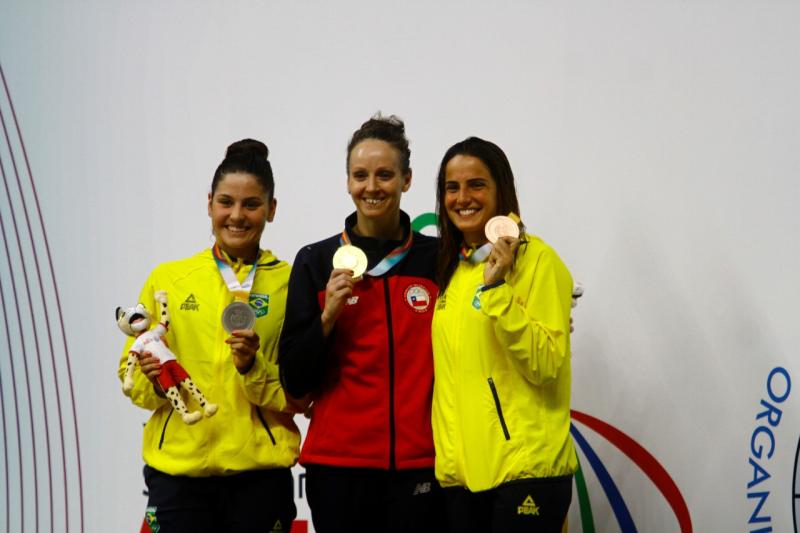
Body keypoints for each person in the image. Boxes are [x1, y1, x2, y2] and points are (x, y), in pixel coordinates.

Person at [118, 139, 301, 533]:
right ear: (209, 204)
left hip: (259, 475)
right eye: (225, 202)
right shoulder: (169, 279)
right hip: (178, 478)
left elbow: (301, 390)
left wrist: (254, 367)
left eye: (251, 204)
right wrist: (152, 379)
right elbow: (131, 381)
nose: (237, 215)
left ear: (272, 209)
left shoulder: (292, 282)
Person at [278, 115, 445, 532]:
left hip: (421, 462)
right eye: (360, 175)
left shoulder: (438, 259)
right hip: (339, 468)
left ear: (406, 180)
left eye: (385, 175)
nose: (372, 187)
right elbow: (295, 381)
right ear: (347, 181)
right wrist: (327, 317)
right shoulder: (315, 261)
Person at [431, 137, 576, 532]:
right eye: (451, 187)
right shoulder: (452, 272)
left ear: (501, 191)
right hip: (462, 477)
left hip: (526, 470)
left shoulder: (538, 261)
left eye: (476, 184)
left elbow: (546, 364)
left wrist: (498, 293)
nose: (463, 197)